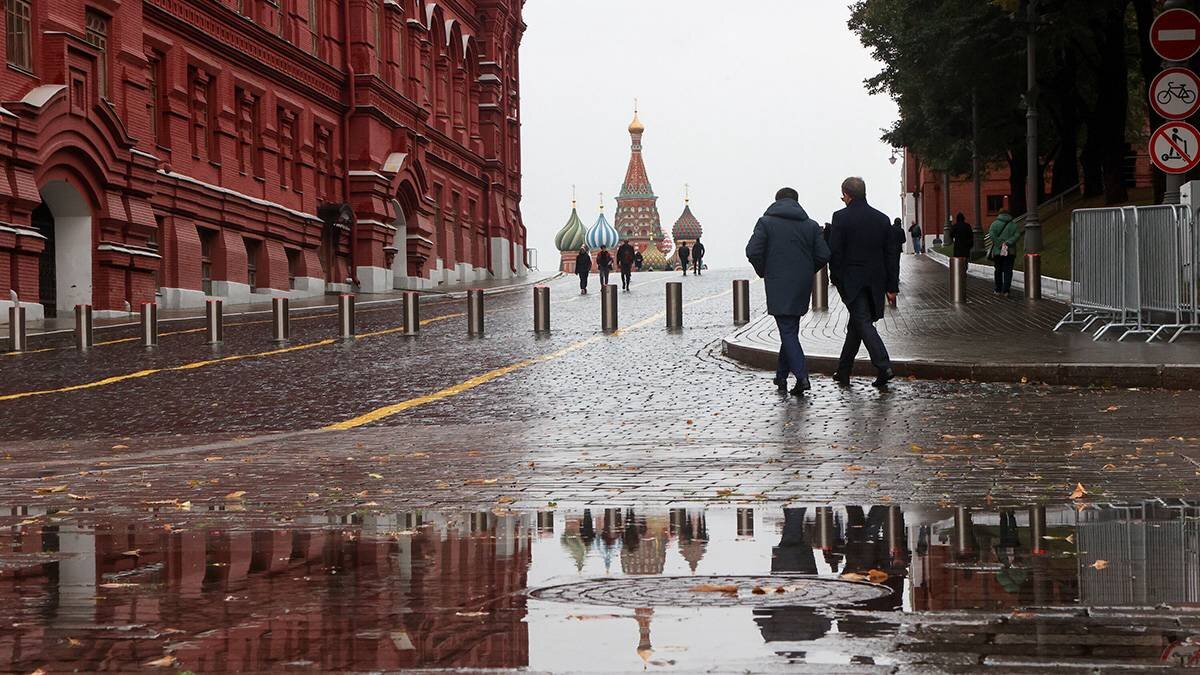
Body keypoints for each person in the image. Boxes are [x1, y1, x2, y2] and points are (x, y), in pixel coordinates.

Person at [746, 187, 831, 396]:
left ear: (777, 201)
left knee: (787, 329)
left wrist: (764, 270)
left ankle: (802, 377)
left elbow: (752, 251)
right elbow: (824, 253)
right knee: (790, 328)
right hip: (802, 284)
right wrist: (807, 269)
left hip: (777, 282)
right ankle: (781, 376)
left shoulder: (766, 223)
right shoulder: (810, 226)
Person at [829, 177, 899, 388]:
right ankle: (843, 371)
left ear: (847, 194)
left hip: (852, 281)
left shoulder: (840, 217)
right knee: (857, 324)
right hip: (876, 281)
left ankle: (883, 365)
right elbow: (891, 254)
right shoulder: (882, 219)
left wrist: (836, 278)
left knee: (862, 322)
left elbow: (836, 252)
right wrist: (892, 286)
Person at [988, 209, 1019, 296]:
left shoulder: (994, 224)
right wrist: (1008, 242)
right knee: (1008, 270)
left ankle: (998, 289)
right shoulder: (1013, 225)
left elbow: (991, 235)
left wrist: (999, 243)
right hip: (1010, 251)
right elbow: (1017, 235)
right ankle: (1006, 290)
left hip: (998, 251)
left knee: (998, 270)